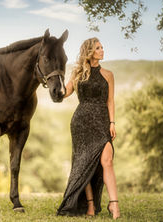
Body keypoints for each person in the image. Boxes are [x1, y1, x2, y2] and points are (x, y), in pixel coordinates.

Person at [56, 37, 120, 219]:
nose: (102, 50)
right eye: (98, 48)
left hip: (101, 121)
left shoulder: (108, 74)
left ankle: (114, 204)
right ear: (90, 51)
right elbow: (65, 92)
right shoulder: (77, 73)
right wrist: (54, 81)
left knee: (107, 160)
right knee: (84, 165)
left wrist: (112, 122)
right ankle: (90, 206)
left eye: (102, 47)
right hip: (81, 122)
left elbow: (110, 101)